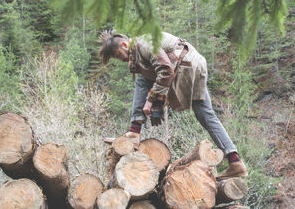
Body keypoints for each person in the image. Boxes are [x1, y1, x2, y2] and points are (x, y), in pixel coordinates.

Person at [99, 31, 247, 180]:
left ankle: (134, 132)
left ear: (125, 45)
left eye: (118, 55)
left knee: (142, 82)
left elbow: (166, 70)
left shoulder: (143, 44)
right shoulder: (139, 52)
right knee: (206, 115)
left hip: (186, 66)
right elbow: (155, 73)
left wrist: (151, 101)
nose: (121, 59)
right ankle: (235, 162)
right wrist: (157, 104)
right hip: (192, 63)